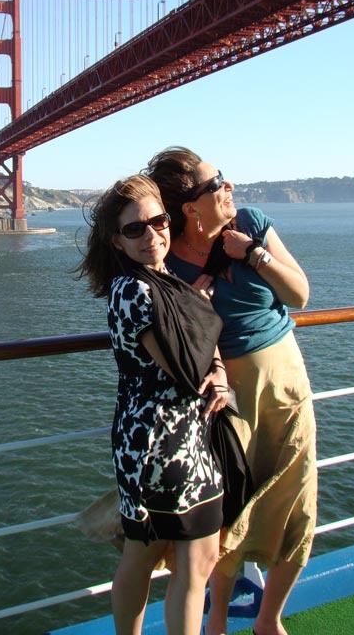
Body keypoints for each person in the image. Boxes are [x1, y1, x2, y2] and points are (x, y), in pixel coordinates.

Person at [146, 147, 317, 635]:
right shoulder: (167, 258)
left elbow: (299, 294)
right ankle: (216, 621)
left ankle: (269, 621)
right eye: (215, 182)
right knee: (227, 511)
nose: (229, 187)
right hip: (223, 399)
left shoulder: (252, 223)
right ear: (189, 208)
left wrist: (255, 255)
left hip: (283, 386)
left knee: (294, 500)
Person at [76, 173, 230, 635]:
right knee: (188, 560)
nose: (151, 235)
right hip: (163, 446)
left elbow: (201, 356)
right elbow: (185, 365)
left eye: (157, 221)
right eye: (133, 229)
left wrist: (217, 366)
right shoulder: (134, 291)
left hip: (165, 440)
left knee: (148, 555)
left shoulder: (166, 283)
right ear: (116, 241)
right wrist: (202, 312)